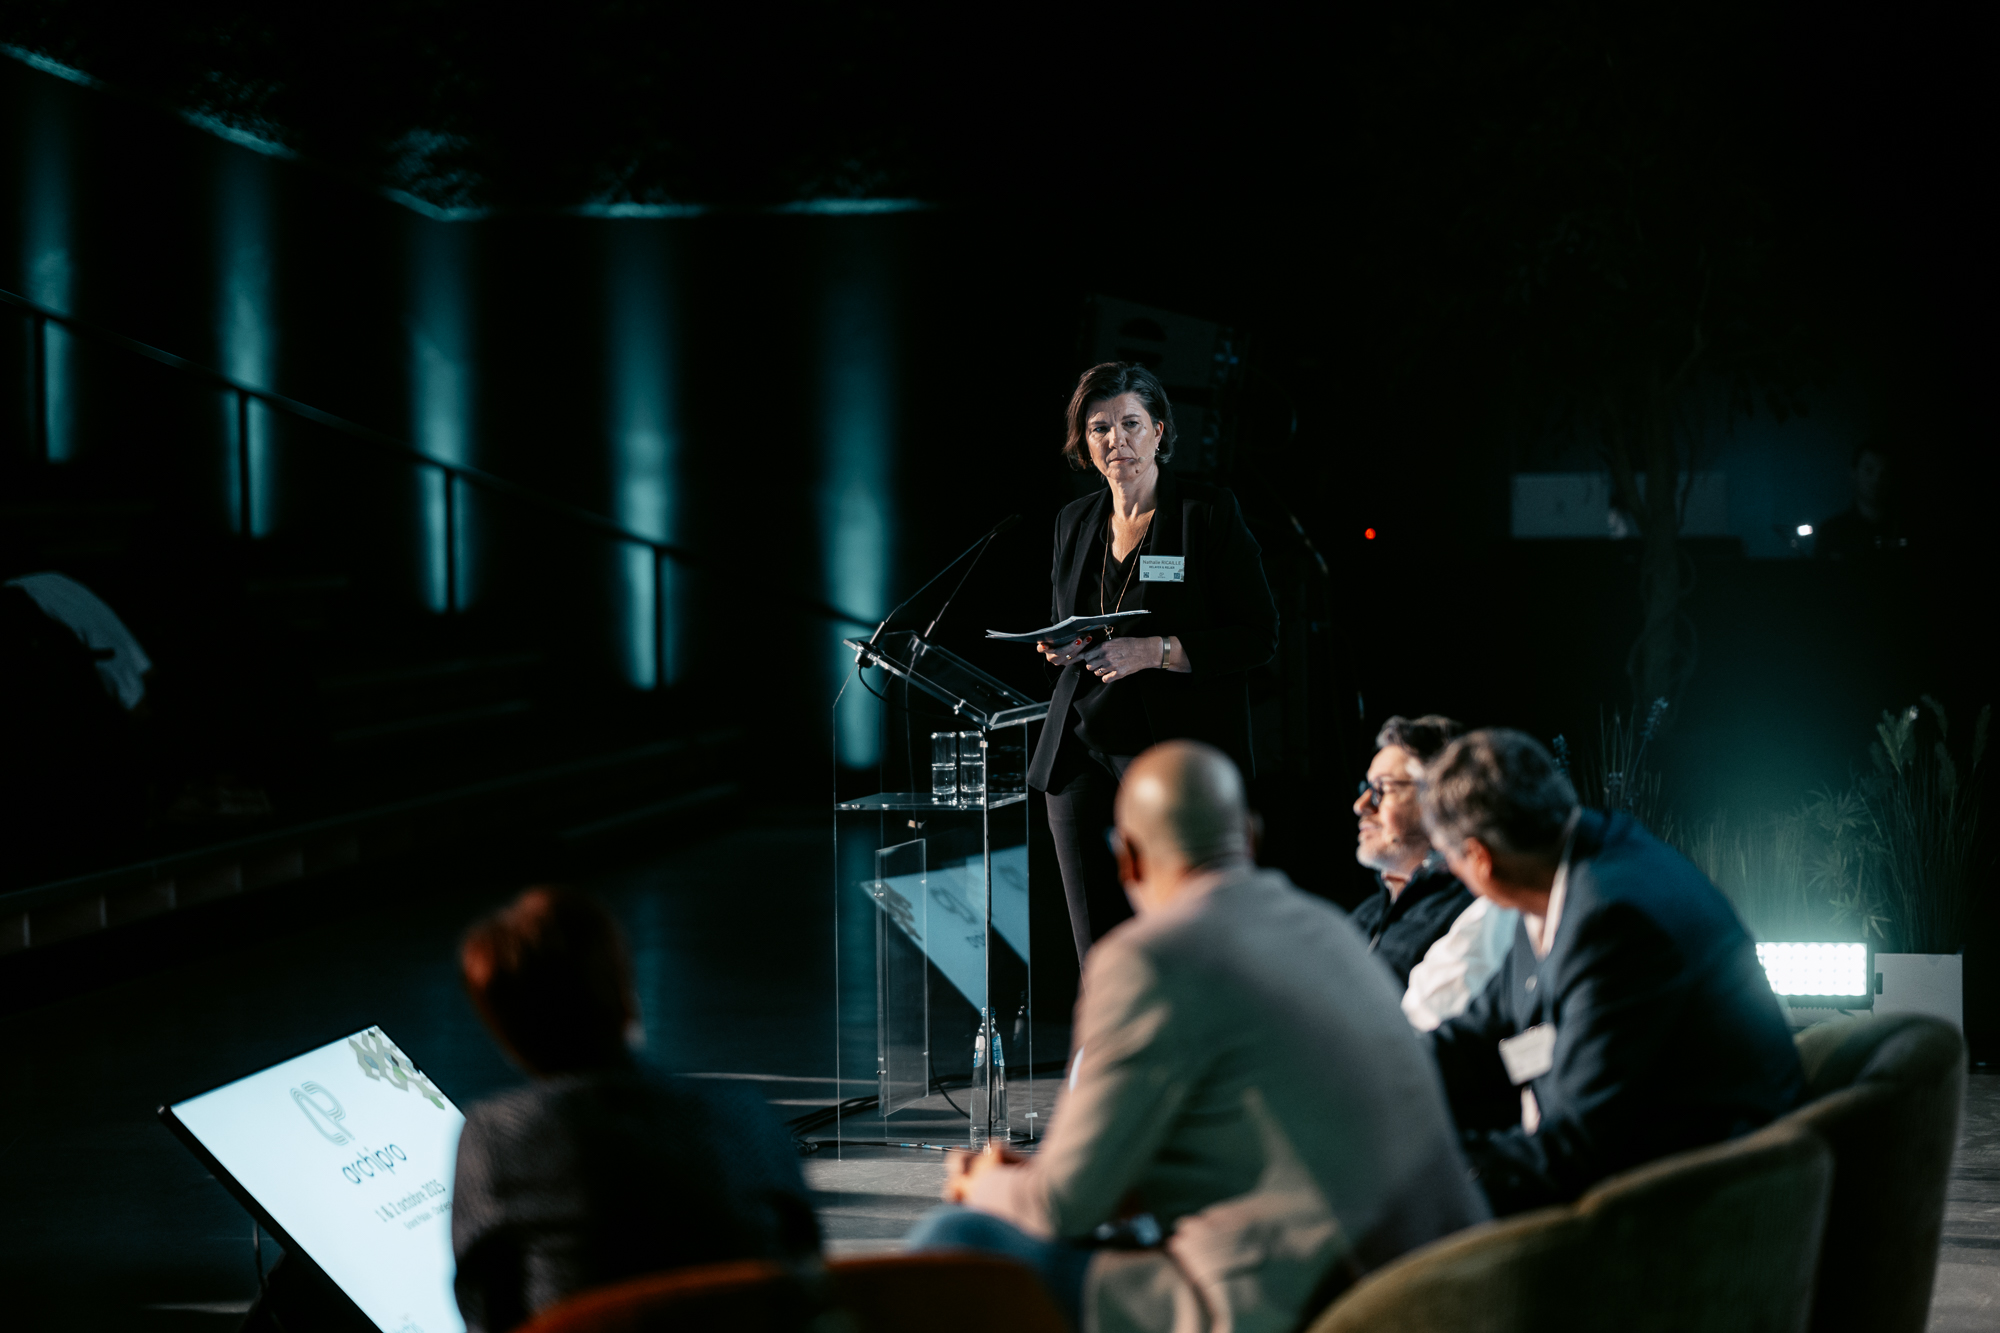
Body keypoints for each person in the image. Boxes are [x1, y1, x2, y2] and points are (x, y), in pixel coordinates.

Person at [910, 741, 1487, 1333]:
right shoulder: (1327, 927)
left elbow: (1059, 1208)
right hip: (1438, 1284)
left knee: (958, 1237)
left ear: (1128, 858)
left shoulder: (1148, 959)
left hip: (1305, 1306)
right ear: (1251, 838)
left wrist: (984, 1182)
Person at [1421, 730, 1803, 1216]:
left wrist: (1428, 1174)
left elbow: (1578, 1149)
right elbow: (1482, 1034)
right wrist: (1384, 1074)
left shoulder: (1613, 916)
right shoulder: (1562, 877)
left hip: (1709, 1204)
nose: (1450, 872)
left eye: (1446, 859)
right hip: (1642, 1171)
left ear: (1480, 859)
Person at [450, 887, 818, 1333]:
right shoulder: (747, 1116)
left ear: (505, 1027)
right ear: (621, 984)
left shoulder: (496, 1139)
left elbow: (487, 1314)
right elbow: (806, 1275)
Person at [1027, 363, 1279, 965]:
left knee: (1190, 929)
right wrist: (1062, 648)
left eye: (1131, 424)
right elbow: (1073, 619)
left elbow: (1258, 636)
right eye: (1100, 428)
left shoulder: (1206, 513)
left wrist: (1156, 651)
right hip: (1081, 749)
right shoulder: (1074, 521)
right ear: (1085, 443)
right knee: (1097, 945)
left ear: (1159, 431)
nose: (1117, 440)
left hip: (1173, 752)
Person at [1814, 440, 1904, 560]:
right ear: (1854, 473)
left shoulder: (1903, 528)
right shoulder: (1832, 532)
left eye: (1884, 473)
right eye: (1869, 470)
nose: (1876, 480)